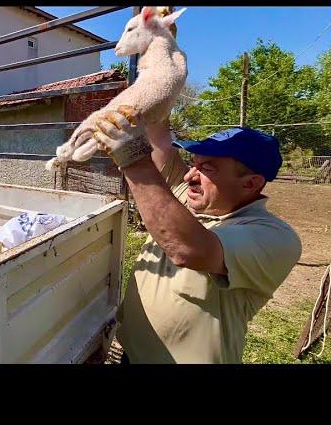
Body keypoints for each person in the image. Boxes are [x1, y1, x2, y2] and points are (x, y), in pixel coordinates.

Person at [91, 107, 302, 364]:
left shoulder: (274, 237)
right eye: (193, 164)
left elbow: (187, 249)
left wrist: (131, 155)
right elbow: (158, 135)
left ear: (250, 183)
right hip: (132, 355)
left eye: (207, 169)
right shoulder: (187, 197)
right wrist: (156, 90)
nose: (191, 175)